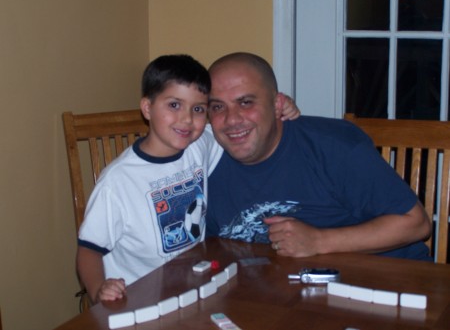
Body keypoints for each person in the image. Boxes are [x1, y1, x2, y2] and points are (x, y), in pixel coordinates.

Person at [76, 54, 299, 304]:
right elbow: (89, 250)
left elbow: (238, 128)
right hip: (137, 300)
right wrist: (98, 290)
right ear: (147, 108)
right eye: (174, 105)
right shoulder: (117, 182)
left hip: (189, 291)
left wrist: (281, 106)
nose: (187, 119)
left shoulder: (200, 143)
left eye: (198, 109)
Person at [205, 52, 432, 261]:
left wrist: (318, 241)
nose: (231, 120)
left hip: (387, 283)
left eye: (246, 102)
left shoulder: (334, 145)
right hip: (282, 293)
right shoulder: (203, 163)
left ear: (277, 104)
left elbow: (416, 224)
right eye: (217, 107)